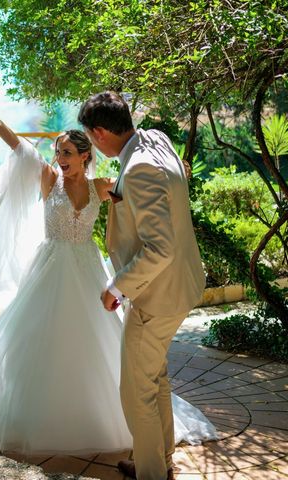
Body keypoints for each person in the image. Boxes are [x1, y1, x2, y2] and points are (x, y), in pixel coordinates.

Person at [0, 86, 216, 462]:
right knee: (42, 342)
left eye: (65, 152)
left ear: (85, 154)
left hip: (87, 270)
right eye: (56, 151)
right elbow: (20, 149)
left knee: (110, 356)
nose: (58, 157)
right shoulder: (49, 180)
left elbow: (146, 191)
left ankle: (147, 455)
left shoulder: (101, 186)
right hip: (49, 271)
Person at [80, 92, 207, 480]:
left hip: (157, 294)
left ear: (100, 133)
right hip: (181, 284)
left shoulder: (138, 168)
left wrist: (117, 287)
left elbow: (160, 248)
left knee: (137, 391)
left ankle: (152, 473)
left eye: (90, 135)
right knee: (154, 378)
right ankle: (158, 458)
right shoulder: (155, 139)